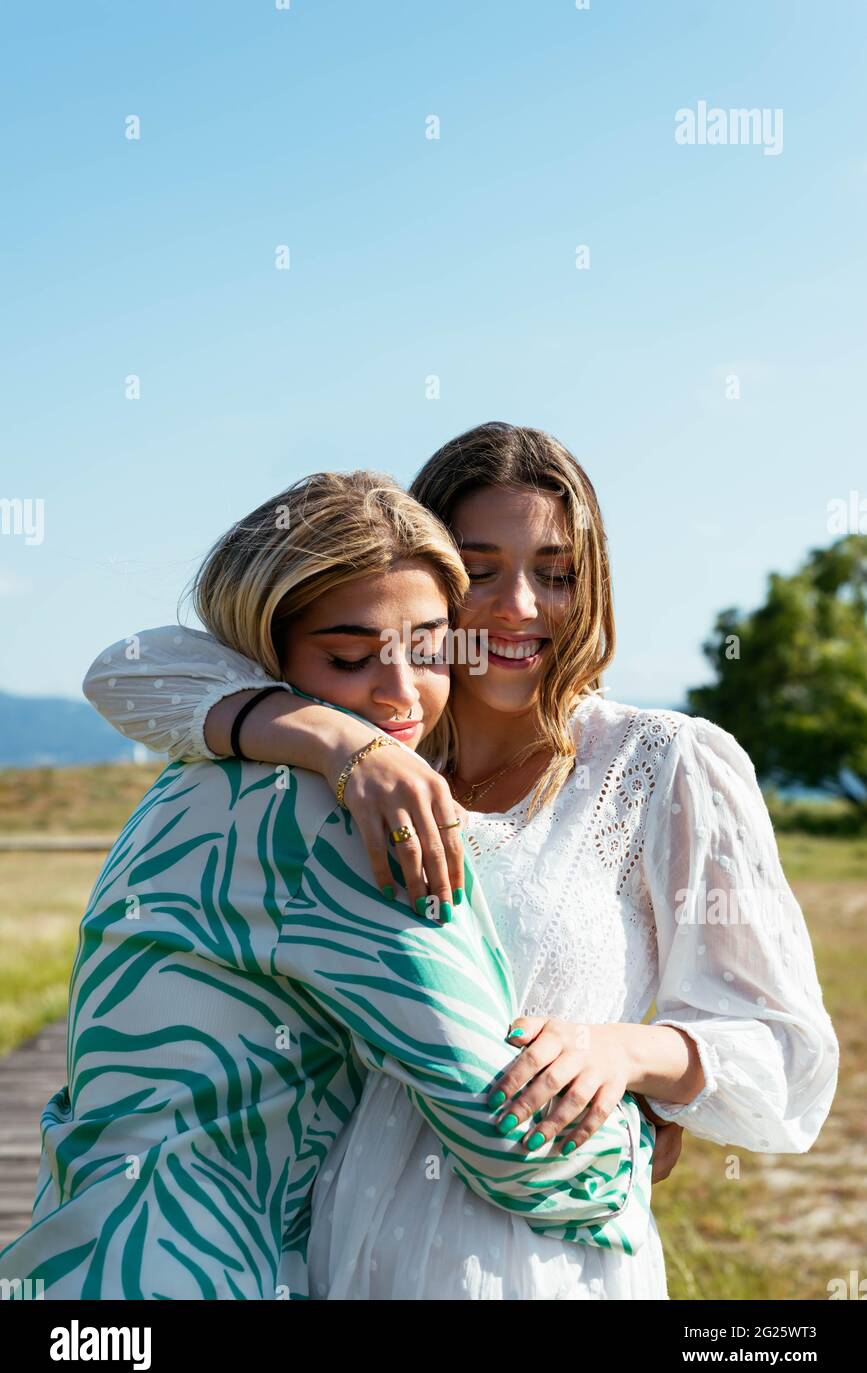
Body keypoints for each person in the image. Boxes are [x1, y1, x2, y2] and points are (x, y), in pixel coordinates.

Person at [83, 423, 840, 1299]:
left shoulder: (663, 762)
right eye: (480, 571)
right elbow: (132, 671)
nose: (520, 606)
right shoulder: (351, 752)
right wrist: (333, 741)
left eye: (556, 574)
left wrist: (628, 1058)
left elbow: (786, 1052)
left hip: (539, 1253)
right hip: (332, 1245)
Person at [0, 470, 657, 1302]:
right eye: (348, 659)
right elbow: (507, 1133)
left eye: (429, 650)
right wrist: (641, 1137)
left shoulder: (199, 770)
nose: (399, 694)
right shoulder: (341, 819)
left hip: (79, 1260)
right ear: (262, 655)